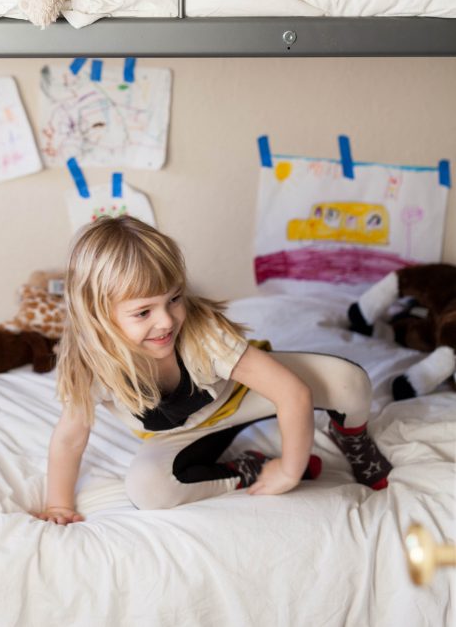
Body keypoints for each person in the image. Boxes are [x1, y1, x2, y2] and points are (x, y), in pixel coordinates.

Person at [33, 215, 391, 524]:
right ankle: (246, 470)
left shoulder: (202, 334)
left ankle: (352, 437)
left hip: (243, 394)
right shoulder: (94, 367)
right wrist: (59, 504)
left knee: (351, 382)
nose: (166, 321)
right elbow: (69, 439)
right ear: (97, 318)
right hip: (187, 434)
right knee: (147, 489)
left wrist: (289, 469)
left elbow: (291, 392)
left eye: (174, 299)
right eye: (144, 312)